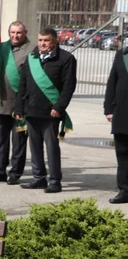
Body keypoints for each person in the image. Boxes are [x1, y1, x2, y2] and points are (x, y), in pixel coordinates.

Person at [15, 27, 76, 193]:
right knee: (34, 146)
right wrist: (19, 106)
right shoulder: (32, 57)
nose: (42, 43)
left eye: (46, 40)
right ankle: (39, 178)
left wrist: (59, 107)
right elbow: (23, 84)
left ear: (55, 42)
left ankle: (55, 181)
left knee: (51, 147)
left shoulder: (66, 59)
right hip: (31, 110)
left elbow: (69, 86)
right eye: (40, 40)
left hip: (51, 112)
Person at [0, 22, 30, 184]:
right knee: (1, 141)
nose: (15, 36)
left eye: (19, 33)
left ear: (25, 32)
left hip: (20, 104)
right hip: (0, 101)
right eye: (12, 32)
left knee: (18, 142)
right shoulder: (0, 48)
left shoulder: (32, 49)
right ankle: (0, 170)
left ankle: (15, 173)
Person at [104, 43, 128, 203]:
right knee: (123, 153)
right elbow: (112, 82)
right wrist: (108, 109)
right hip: (123, 113)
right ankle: (124, 190)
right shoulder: (122, 54)